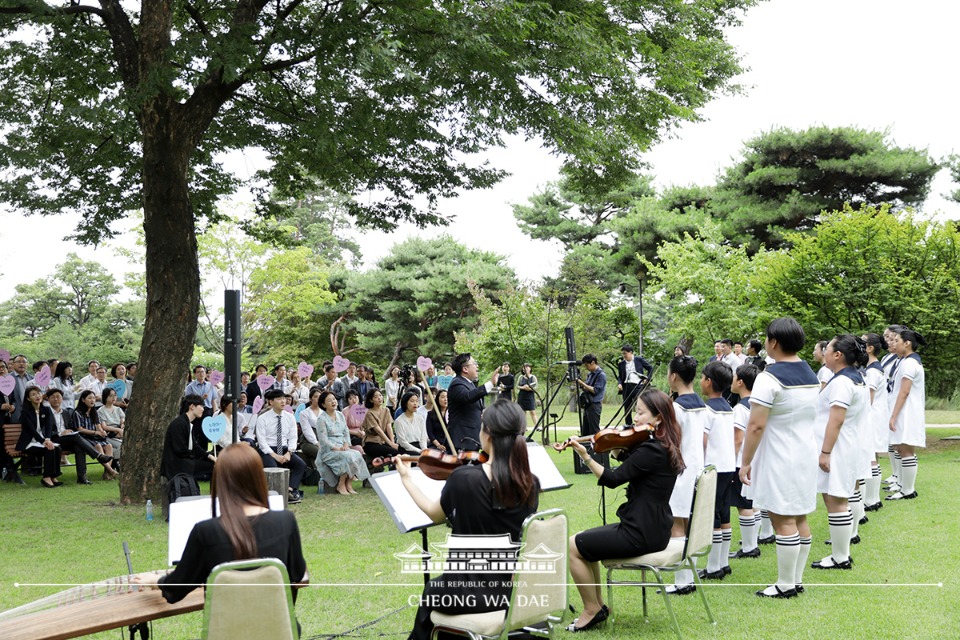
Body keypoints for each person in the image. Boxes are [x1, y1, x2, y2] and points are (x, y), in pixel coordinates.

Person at [396, 401, 539, 640]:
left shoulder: (464, 479)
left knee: (432, 591)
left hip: (465, 592)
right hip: (510, 591)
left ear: (488, 435)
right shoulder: (530, 484)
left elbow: (434, 513)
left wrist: (407, 480)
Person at [134, 444, 308, 610]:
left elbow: (175, 591)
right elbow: (298, 574)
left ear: (220, 482)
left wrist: (154, 580)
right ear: (259, 478)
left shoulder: (206, 532)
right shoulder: (287, 521)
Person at [567, 389, 684, 631]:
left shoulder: (650, 450)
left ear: (658, 418)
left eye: (640, 413)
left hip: (639, 533)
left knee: (573, 545)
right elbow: (632, 464)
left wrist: (585, 456)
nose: (635, 418)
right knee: (585, 546)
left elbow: (612, 479)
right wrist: (618, 445)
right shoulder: (662, 446)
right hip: (654, 528)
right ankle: (598, 607)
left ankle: (591, 609)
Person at [740, 317, 820, 598]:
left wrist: (745, 461)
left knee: (782, 519)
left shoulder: (768, 377)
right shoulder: (812, 374)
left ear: (773, 342)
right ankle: (795, 580)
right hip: (805, 452)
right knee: (799, 517)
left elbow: (756, 425)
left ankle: (786, 584)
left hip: (779, 455)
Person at [810, 334, 869, 571]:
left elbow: (836, 420)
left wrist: (825, 452)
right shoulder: (853, 379)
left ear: (838, 355)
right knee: (836, 499)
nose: (823, 352)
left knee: (836, 500)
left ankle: (840, 557)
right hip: (845, 445)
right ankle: (840, 554)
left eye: (828, 349)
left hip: (837, 447)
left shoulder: (843, 382)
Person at [664, 355, 707, 594]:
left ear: (674, 376)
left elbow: (671, 442)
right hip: (697, 469)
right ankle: (688, 576)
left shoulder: (676, 407)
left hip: (680, 472)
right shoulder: (701, 403)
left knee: (677, 526)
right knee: (689, 524)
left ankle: (681, 581)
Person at [699, 361, 736, 580]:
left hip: (712, 467)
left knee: (711, 514)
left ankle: (713, 567)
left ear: (709, 382)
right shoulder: (728, 407)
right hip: (728, 465)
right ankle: (723, 562)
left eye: (702, 378)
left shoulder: (707, 410)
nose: (700, 382)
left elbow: (703, 441)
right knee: (723, 512)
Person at [886, 328, 926, 500]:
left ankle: (908, 490)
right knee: (901, 447)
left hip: (907, 411)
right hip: (904, 410)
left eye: (897, 341)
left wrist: (893, 416)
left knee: (906, 448)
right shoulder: (906, 361)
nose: (894, 344)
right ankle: (903, 486)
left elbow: (904, 391)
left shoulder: (910, 363)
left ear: (907, 343)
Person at [729, 363, 760, 559]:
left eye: (733, 377)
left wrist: (731, 460)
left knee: (743, 505)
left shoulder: (740, 408)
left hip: (742, 461)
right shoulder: (758, 405)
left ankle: (749, 547)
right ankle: (753, 542)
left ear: (740, 382)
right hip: (756, 459)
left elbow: (737, 438)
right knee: (752, 502)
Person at [255, 389, 307, 504]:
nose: (283, 401)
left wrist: (289, 452)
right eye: (279, 399)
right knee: (274, 469)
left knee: (300, 464)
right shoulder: (262, 418)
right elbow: (262, 441)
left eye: (283, 398)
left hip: (284, 449)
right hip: (268, 450)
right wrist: (275, 455)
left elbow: (293, 437)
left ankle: (289, 490)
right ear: (271, 402)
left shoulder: (290, 417)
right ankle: (275, 494)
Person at [316, 390, 369, 494]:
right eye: (329, 400)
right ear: (323, 404)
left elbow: (345, 432)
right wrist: (336, 448)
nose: (333, 402)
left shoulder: (340, 415)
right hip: (328, 450)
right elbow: (323, 440)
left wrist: (345, 444)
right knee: (348, 457)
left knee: (357, 454)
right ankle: (341, 484)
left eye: (334, 399)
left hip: (342, 446)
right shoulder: (321, 419)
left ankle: (348, 483)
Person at [447, 353, 499, 452]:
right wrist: (490, 384)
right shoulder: (457, 383)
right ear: (465, 369)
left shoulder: (470, 384)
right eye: (474, 363)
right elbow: (468, 397)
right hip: (462, 440)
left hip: (471, 438)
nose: (477, 366)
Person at [861, 332, 889, 511]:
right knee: (874, 458)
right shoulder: (876, 368)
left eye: (862, 343)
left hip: (873, 416)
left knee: (871, 458)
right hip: (878, 416)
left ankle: (871, 499)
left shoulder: (872, 371)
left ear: (870, 348)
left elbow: (868, 399)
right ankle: (874, 498)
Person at [161, 394, 216, 482]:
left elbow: (195, 446)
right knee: (212, 466)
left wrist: (209, 456)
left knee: (214, 464)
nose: (203, 409)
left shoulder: (187, 423)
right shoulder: (179, 424)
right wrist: (196, 456)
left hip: (185, 461)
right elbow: (180, 450)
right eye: (201, 406)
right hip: (177, 465)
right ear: (192, 407)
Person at [18, 385, 62, 487]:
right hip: (29, 443)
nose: (37, 396)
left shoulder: (46, 409)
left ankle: (53, 476)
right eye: (33, 395)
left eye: (38, 393)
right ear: (28, 399)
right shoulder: (25, 412)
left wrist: (47, 439)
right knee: (49, 449)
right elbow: (32, 431)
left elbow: (48, 426)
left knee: (57, 448)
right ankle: (46, 477)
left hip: (42, 440)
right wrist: (44, 441)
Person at [71, 390, 115, 469]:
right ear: (83, 400)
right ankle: (111, 470)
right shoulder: (77, 413)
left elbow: (98, 426)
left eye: (94, 398)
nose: (92, 400)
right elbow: (79, 429)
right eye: (89, 398)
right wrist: (95, 432)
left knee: (109, 446)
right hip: (84, 438)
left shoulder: (94, 412)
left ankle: (107, 473)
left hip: (95, 437)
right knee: (98, 446)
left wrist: (102, 431)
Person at [617, 344, 652, 426]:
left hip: (637, 385)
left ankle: (641, 423)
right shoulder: (621, 364)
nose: (624, 355)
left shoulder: (639, 360)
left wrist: (647, 378)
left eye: (625, 353)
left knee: (640, 405)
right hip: (626, 386)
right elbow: (620, 376)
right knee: (627, 406)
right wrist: (619, 383)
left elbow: (650, 368)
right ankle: (628, 425)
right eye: (623, 353)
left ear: (631, 352)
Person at [361, 388, 399, 461]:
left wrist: (392, 443)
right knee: (396, 452)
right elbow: (378, 431)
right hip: (371, 443)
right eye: (376, 397)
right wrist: (391, 445)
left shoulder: (386, 410)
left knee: (401, 450)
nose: (379, 398)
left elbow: (389, 428)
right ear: (371, 400)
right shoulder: (369, 413)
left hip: (384, 441)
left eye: (380, 395)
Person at [575, 354, 605, 436]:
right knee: (585, 430)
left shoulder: (601, 375)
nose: (586, 367)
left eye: (586, 365)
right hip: (587, 404)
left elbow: (595, 390)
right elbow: (587, 388)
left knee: (594, 430)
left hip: (595, 404)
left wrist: (582, 383)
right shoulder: (590, 374)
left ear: (592, 363)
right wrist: (581, 384)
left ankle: (597, 448)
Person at [394, 390, 428, 454]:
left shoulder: (420, 418)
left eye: (417, 401)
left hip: (419, 446)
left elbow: (423, 437)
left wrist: (424, 449)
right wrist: (419, 451)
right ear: (405, 403)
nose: (415, 403)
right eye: (412, 401)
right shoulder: (399, 421)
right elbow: (403, 442)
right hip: (406, 449)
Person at [298, 387, 323, 469]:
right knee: (319, 452)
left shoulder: (324, 412)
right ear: (310, 399)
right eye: (315, 396)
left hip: (322, 439)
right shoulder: (304, 413)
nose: (318, 399)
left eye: (319, 396)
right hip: (307, 441)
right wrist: (316, 443)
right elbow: (306, 430)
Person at [98, 387, 125, 457]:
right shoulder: (101, 411)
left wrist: (121, 426)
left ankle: (113, 461)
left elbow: (122, 421)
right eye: (111, 396)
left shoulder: (118, 409)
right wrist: (117, 430)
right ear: (105, 397)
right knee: (122, 446)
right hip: (109, 435)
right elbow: (104, 426)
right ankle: (112, 462)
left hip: (120, 433)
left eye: (115, 395)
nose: (114, 397)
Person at [515, 363, 538, 429]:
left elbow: (536, 387)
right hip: (522, 395)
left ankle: (537, 426)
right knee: (523, 412)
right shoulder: (521, 377)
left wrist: (529, 388)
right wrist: (523, 387)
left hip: (530, 395)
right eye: (524, 367)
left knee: (532, 411)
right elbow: (517, 386)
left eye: (528, 367)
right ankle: (524, 427)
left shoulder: (533, 377)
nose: (526, 368)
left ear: (530, 368)